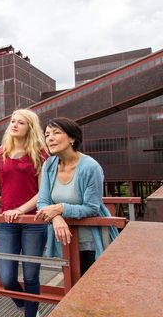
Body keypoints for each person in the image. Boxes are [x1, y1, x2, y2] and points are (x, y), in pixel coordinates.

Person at [0, 109, 48, 317]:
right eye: (13, 121)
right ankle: (26, 306)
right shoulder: (1, 151)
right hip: (7, 221)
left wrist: (21, 210)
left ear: (30, 127)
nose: (14, 125)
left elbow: (44, 192)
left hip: (33, 221)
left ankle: (31, 313)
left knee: (31, 276)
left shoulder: (40, 152)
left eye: (20, 122)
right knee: (7, 278)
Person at [35, 117, 118, 275]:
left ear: (72, 138)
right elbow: (42, 201)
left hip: (91, 241)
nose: (50, 138)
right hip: (65, 240)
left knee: (90, 289)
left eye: (56, 133)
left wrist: (60, 208)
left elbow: (92, 208)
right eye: (47, 135)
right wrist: (56, 217)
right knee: (71, 286)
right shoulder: (49, 164)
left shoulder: (90, 167)